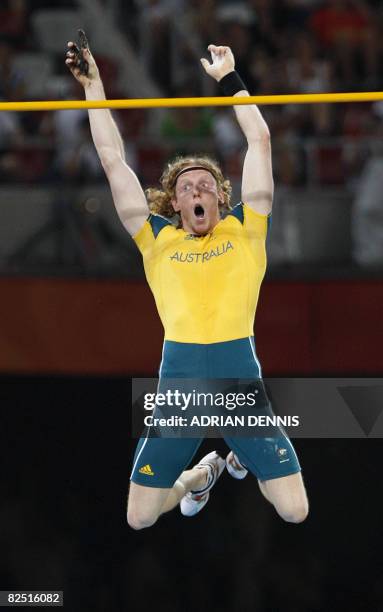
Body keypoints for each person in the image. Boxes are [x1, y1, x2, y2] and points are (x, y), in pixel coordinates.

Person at [66, 34, 309, 530]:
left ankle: (245, 458)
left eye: (204, 185)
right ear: (174, 205)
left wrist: (230, 81)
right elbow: (113, 159)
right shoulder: (156, 240)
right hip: (179, 392)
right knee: (139, 517)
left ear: (221, 196)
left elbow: (259, 140)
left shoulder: (247, 228)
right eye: (184, 188)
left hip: (240, 387)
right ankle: (200, 477)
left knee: (294, 509)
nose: (195, 191)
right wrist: (94, 87)